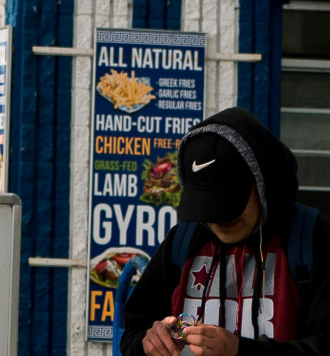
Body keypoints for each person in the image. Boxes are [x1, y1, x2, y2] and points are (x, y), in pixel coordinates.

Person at [122, 107, 330, 356]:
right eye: (206, 206)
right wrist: (147, 343)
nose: (218, 219)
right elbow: (133, 335)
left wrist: (240, 352)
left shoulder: (313, 238)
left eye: (228, 204)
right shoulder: (183, 240)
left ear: (264, 185)